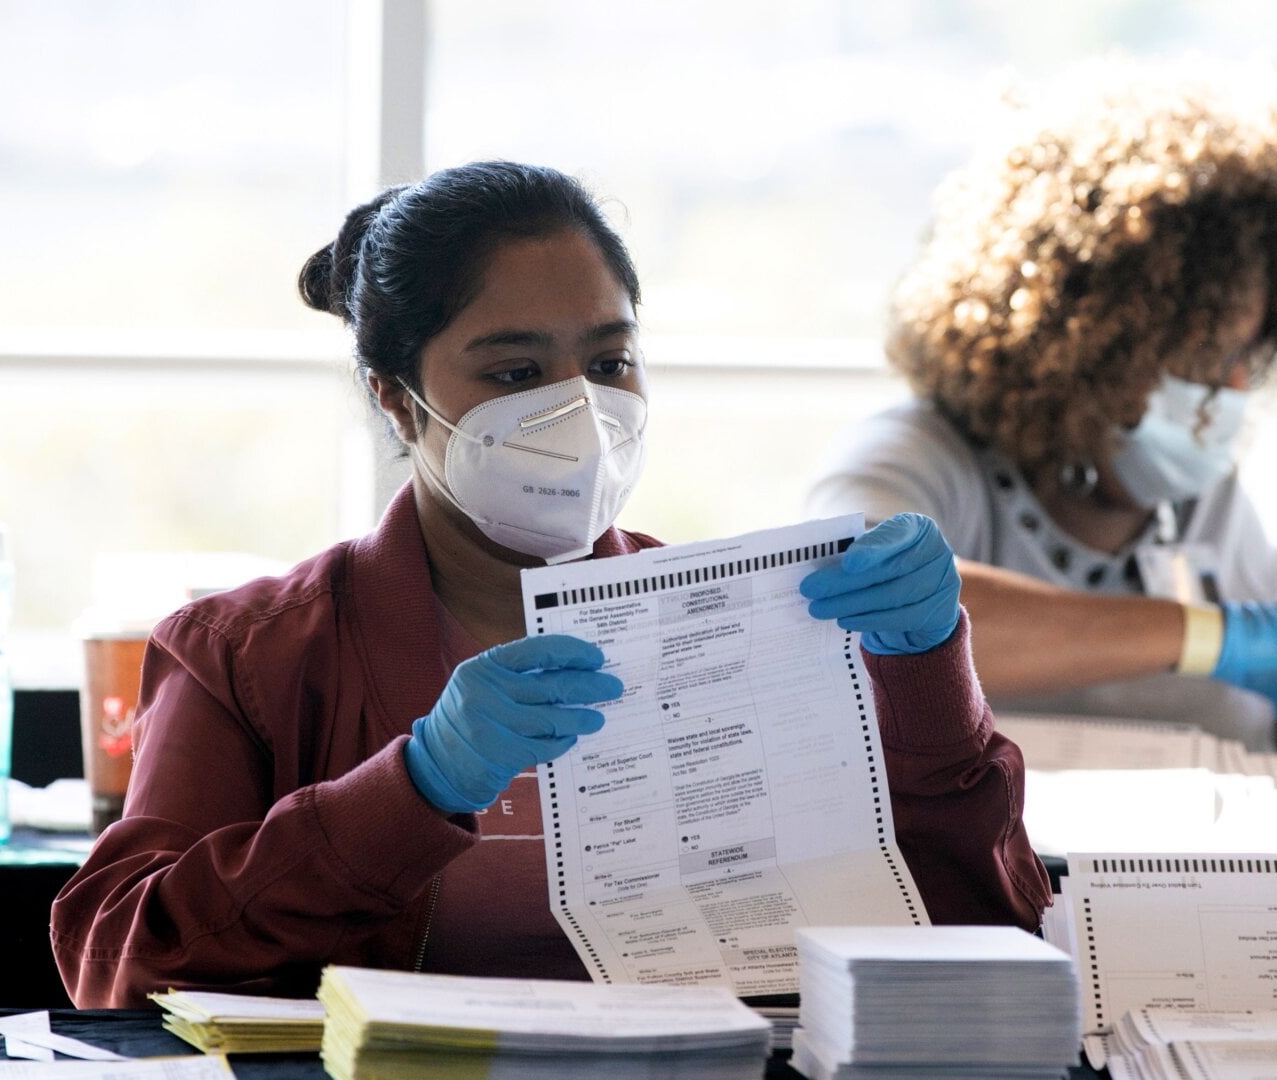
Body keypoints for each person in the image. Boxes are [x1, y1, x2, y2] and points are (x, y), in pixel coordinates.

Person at [51, 161, 1048, 1009]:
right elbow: (114, 961)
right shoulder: (250, 654)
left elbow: (985, 937)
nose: (579, 409)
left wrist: (926, 681)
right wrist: (409, 789)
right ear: (395, 400)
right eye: (515, 372)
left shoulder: (750, 631)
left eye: (610, 360)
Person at [806, 63, 1277, 747]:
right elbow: (850, 608)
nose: (1234, 390)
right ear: (1090, 338)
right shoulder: (915, 457)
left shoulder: (1201, 500)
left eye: (1249, 357)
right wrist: (1207, 634)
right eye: (1207, 358)